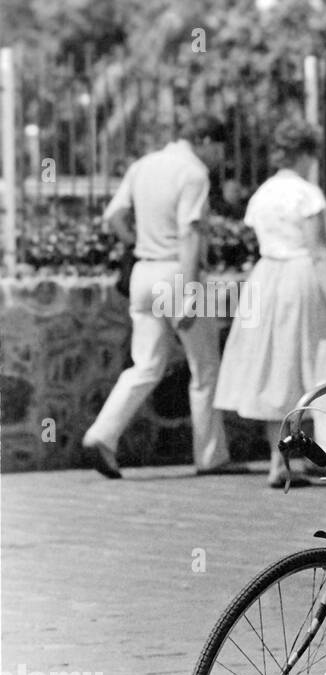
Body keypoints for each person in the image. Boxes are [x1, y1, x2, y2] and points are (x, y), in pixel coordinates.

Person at [82, 113, 236, 478]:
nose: (219, 159)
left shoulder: (143, 165)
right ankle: (210, 457)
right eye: (219, 150)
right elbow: (191, 235)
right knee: (205, 369)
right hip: (176, 273)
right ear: (205, 141)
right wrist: (190, 291)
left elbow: (115, 216)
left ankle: (102, 434)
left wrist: (139, 242)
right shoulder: (194, 173)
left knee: (146, 364)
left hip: (143, 272)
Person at [213, 118, 326, 487]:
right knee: (311, 363)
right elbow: (318, 252)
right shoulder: (306, 194)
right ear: (307, 153)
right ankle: (321, 455)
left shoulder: (263, 193)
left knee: (277, 365)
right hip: (299, 277)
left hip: (266, 276)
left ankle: (280, 460)